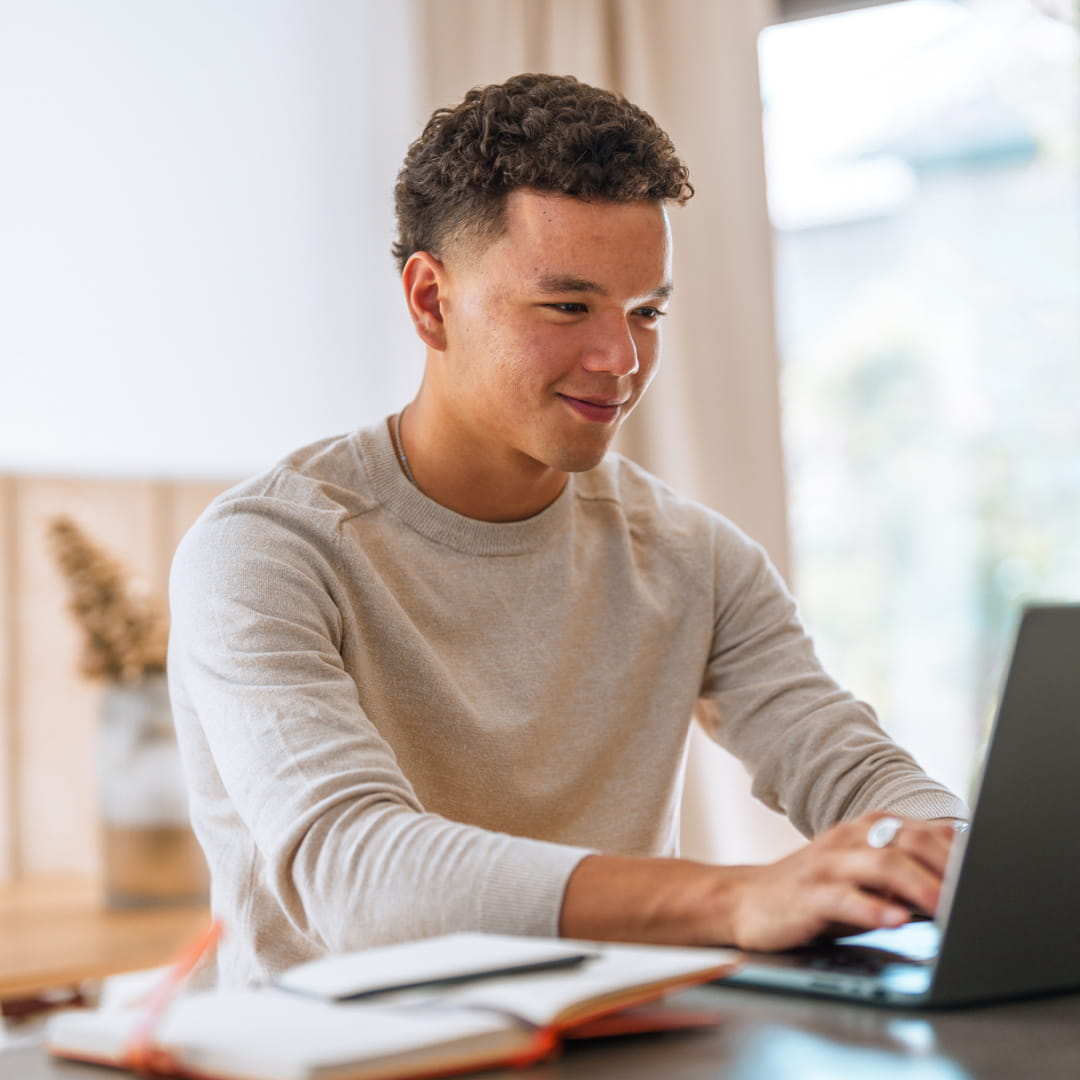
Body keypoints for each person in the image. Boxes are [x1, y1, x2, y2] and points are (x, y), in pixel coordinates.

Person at [168, 73, 968, 989]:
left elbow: (853, 769)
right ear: (432, 302)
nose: (621, 360)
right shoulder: (266, 552)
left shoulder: (695, 559)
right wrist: (733, 899)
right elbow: (357, 878)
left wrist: (955, 859)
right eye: (567, 307)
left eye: (646, 312)